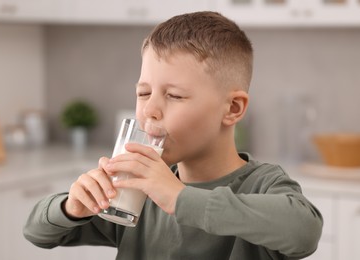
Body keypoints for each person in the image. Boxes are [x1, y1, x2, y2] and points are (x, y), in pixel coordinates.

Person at [23, 11, 323, 260]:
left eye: (175, 96)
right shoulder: (138, 190)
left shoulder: (262, 185)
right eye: (143, 93)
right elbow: (37, 232)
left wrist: (179, 198)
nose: (149, 110)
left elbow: (303, 231)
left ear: (232, 108)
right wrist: (72, 207)